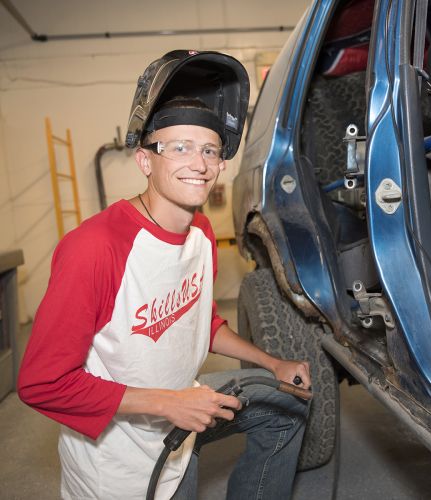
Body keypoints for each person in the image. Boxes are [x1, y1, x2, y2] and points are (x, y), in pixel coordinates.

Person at [18, 49, 311, 500]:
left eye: (209, 150)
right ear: (145, 161)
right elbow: (43, 383)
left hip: (181, 418)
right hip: (121, 468)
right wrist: (168, 403)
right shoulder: (94, 249)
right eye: (179, 147)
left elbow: (201, 322)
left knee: (284, 413)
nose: (198, 163)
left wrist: (272, 364)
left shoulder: (201, 234)